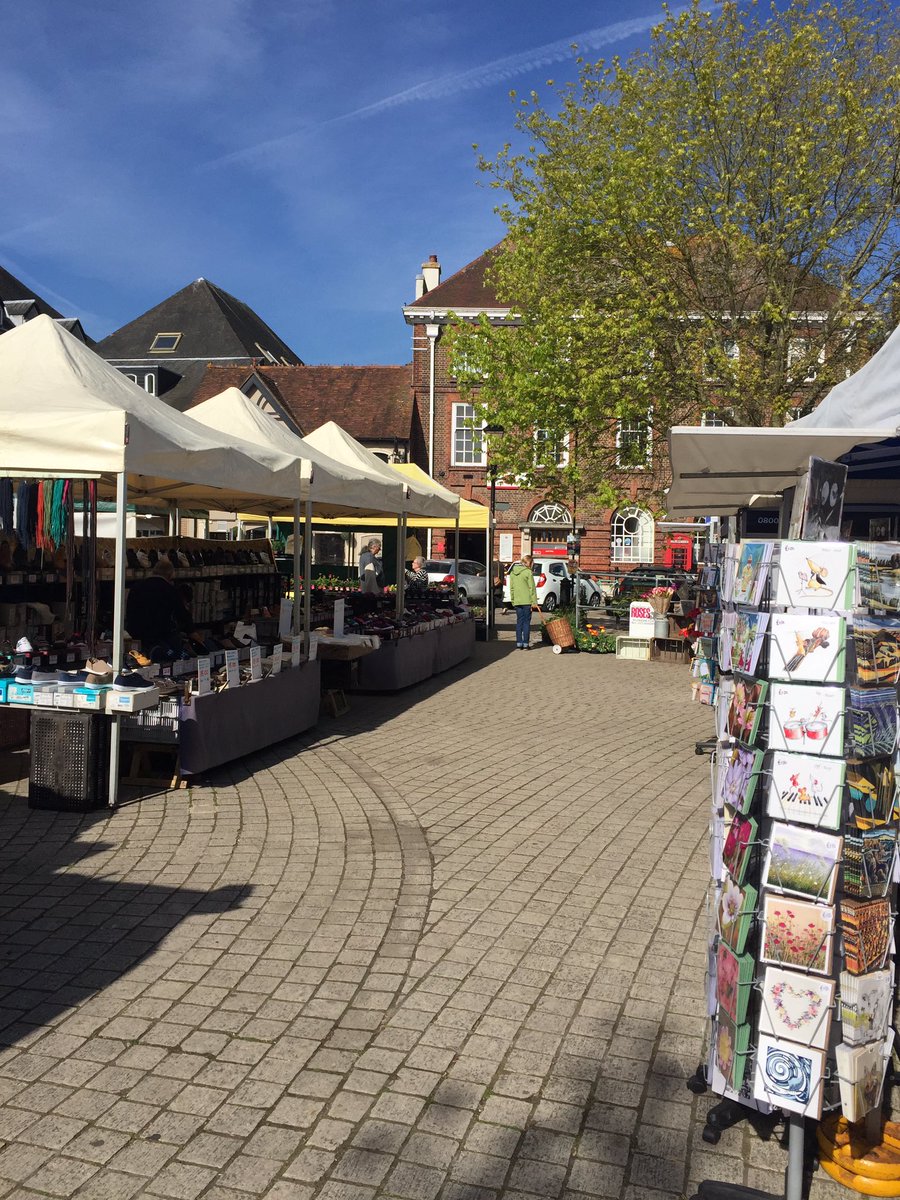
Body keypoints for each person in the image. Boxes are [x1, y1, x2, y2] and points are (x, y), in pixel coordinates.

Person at [125, 558, 194, 657]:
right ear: (170, 575)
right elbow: (181, 614)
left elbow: (129, 612)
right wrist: (192, 632)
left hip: (135, 634)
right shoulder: (170, 590)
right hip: (159, 636)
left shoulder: (136, 587)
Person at [507, 553, 538, 649]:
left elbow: (511, 588)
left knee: (519, 621)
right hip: (527, 601)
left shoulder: (512, 572)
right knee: (526, 622)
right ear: (529, 562)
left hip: (517, 600)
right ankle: (525, 644)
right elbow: (531, 588)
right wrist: (534, 602)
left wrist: (513, 600)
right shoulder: (528, 572)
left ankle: (518, 643)